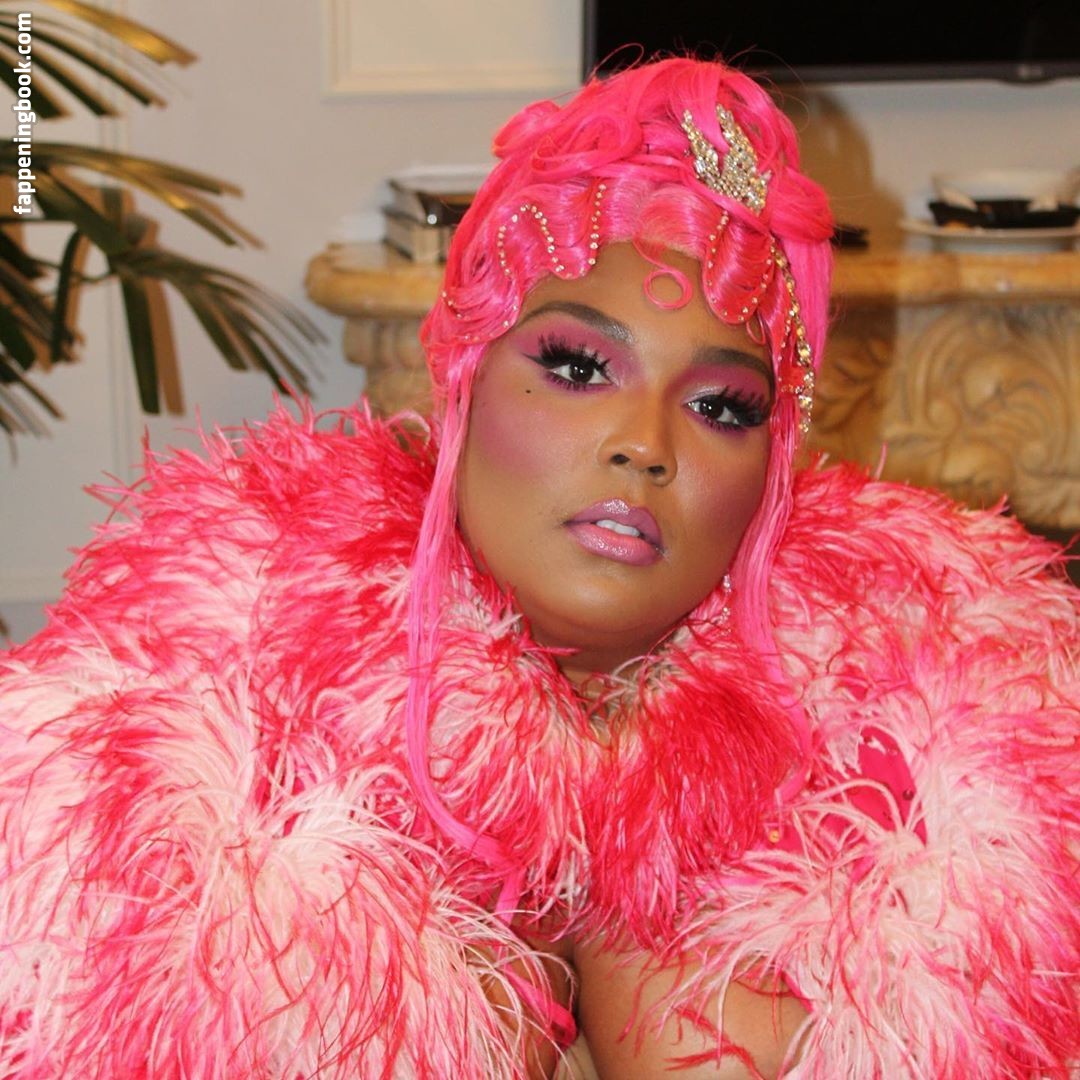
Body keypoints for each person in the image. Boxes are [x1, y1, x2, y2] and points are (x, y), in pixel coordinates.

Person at [0, 57, 1076, 1079]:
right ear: (462, 383)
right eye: (576, 366)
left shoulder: (943, 743)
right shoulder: (203, 725)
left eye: (720, 405)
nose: (644, 444)